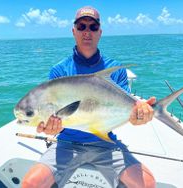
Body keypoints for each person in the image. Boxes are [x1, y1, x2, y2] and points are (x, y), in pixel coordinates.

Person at [22, 6, 156, 188]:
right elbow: (54, 113)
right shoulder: (59, 71)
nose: (87, 32)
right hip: (66, 143)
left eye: (93, 27)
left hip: (105, 143)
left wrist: (139, 115)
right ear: (73, 31)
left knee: (147, 184)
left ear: (100, 32)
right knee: (31, 184)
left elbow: (128, 112)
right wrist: (52, 129)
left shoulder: (116, 69)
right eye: (81, 26)